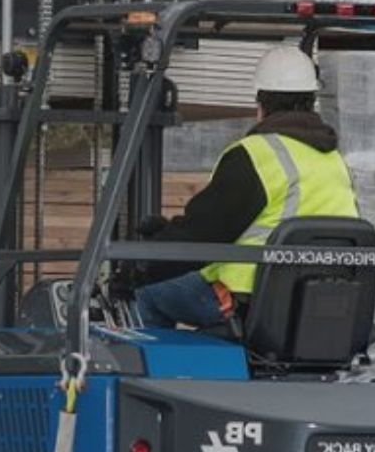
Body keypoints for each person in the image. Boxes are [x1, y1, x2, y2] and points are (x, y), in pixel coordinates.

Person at [130, 44, 360, 330]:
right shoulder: (334, 160)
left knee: (146, 293)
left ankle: (164, 374)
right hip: (324, 304)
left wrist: (141, 267)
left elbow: (204, 233)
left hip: (249, 301)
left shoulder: (256, 155)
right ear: (311, 100)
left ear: (260, 103)